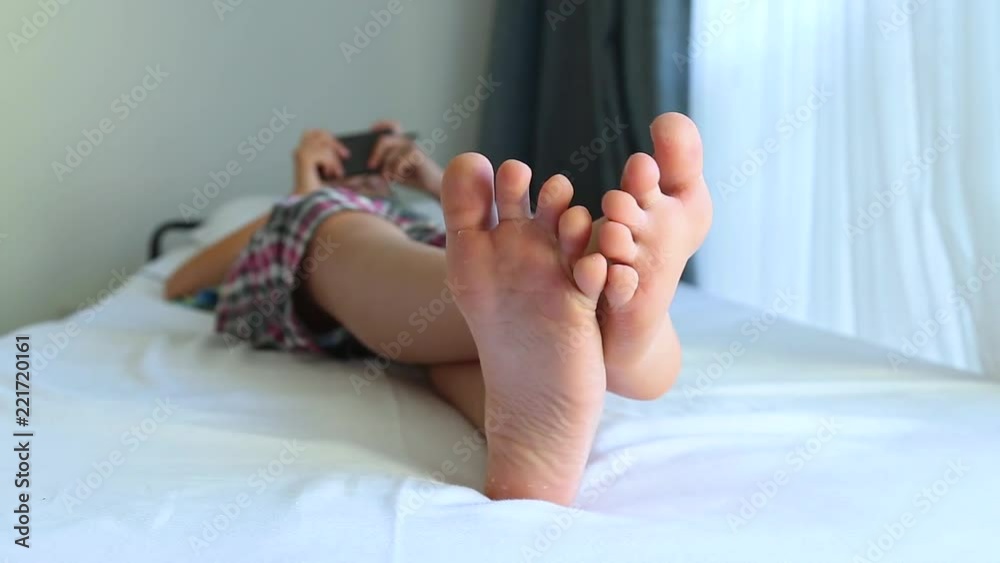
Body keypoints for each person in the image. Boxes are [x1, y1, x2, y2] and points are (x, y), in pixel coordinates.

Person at [165, 113, 712, 506]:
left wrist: (425, 177)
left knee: (480, 327)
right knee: (362, 239)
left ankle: (594, 343)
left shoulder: (428, 218)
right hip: (356, 256)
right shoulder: (304, 206)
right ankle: (614, 323)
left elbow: (466, 222)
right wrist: (306, 185)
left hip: (439, 282)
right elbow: (179, 281)